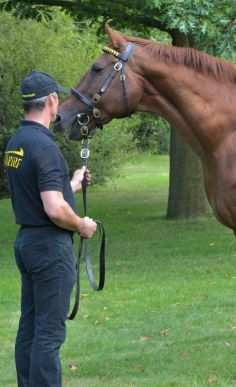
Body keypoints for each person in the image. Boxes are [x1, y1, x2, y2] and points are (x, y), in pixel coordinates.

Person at [3, 70, 98, 387]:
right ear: (53, 101)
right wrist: (82, 224)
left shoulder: (17, 143)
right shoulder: (45, 147)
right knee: (48, 333)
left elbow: (40, 191)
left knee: (30, 327)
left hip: (27, 243)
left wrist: (69, 183)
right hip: (48, 249)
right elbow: (55, 209)